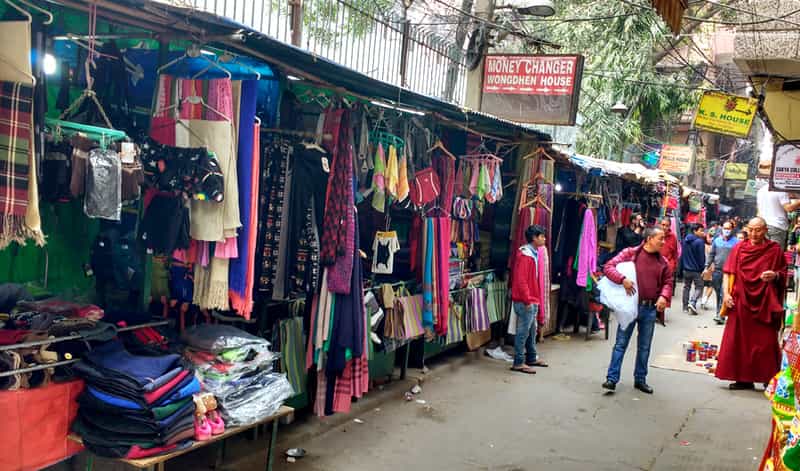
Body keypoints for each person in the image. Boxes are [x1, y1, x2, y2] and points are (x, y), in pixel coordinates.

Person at [716, 217, 786, 390]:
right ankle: (743, 379)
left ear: (765, 230)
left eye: (758, 230)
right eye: (751, 230)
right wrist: (725, 294)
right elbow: (728, 272)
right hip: (741, 300)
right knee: (739, 341)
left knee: (766, 342)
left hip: (764, 301)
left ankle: (767, 377)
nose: (754, 234)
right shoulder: (739, 248)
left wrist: (775, 276)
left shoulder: (774, 249)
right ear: (747, 229)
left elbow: (783, 274)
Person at [602, 227, 673, 394]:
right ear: (649, 239)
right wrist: (622, 279)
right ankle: (611, 379)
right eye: (660, 238)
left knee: (644, 347)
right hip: (630, 307)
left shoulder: (663, 262)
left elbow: (668, 282)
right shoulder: (630, 253)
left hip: (649, 309)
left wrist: (664, 296)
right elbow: (608, 267)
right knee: (621, 344)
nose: (663, 242)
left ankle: (640, 379)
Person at [509, 225, 548, 374]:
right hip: (526, 299)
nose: (544, 238)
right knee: (523, 331)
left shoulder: (532, 253)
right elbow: (521, 280)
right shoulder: (526, 255)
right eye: (541, 236)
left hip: (531, 298)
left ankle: (531, 357)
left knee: (531, 330)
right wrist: (527, 299)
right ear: (534, 238)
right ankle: (518, 362)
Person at [704, 221, 740, 324]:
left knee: (723, 293)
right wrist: (706, 266)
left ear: (732, 229)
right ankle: (720, 313)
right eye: (725, 228)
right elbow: (711, 254)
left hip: (729, 273)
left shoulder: (736, 243)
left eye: (728, 228)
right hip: (717, 271)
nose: (726, 230)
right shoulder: (717, 241)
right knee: (718, 292)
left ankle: (720, 315)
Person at [757, 183, 800, 248]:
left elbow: (759, 210)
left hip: (763, 225)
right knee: (776, 253)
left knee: (764, 252)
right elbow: (789, 208)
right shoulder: (780, 190)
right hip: (777, 226)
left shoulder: (761, 190)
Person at [681, 223, 706, 315]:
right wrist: (702, 268)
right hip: (696, 270)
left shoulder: (685, 240)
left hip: (686, 269)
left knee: (686, 287)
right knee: (699, 286)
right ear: (695, 231)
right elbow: (701, 257)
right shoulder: (699, 242)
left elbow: (682, 254)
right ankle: (693, 302)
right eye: (701, 230)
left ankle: (684, 307)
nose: (703, 232)